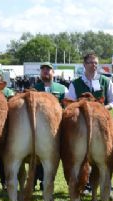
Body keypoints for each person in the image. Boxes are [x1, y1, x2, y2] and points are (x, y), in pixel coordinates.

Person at [67, 52, 113, 195]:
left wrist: (103, 108)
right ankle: (85, 184)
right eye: (90, 62)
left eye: (96, 62)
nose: (94, 65)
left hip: (102, 123)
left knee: (105, 154)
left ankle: (106, 184)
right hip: (81, 124)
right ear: (84, 65)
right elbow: (70, 103)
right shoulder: (75, 83)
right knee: (82, 154)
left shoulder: (106, 81)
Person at [33, 62, 69, 190]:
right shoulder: (34, 88)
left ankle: (46, 180)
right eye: (43, 70)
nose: (45, 72)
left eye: (48, 69)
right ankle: (33, 179)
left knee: (52, 155)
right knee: (36, 153)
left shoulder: (62, 89)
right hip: (38, 128)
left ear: (53, 72)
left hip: (56, 129)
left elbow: (68, 107)